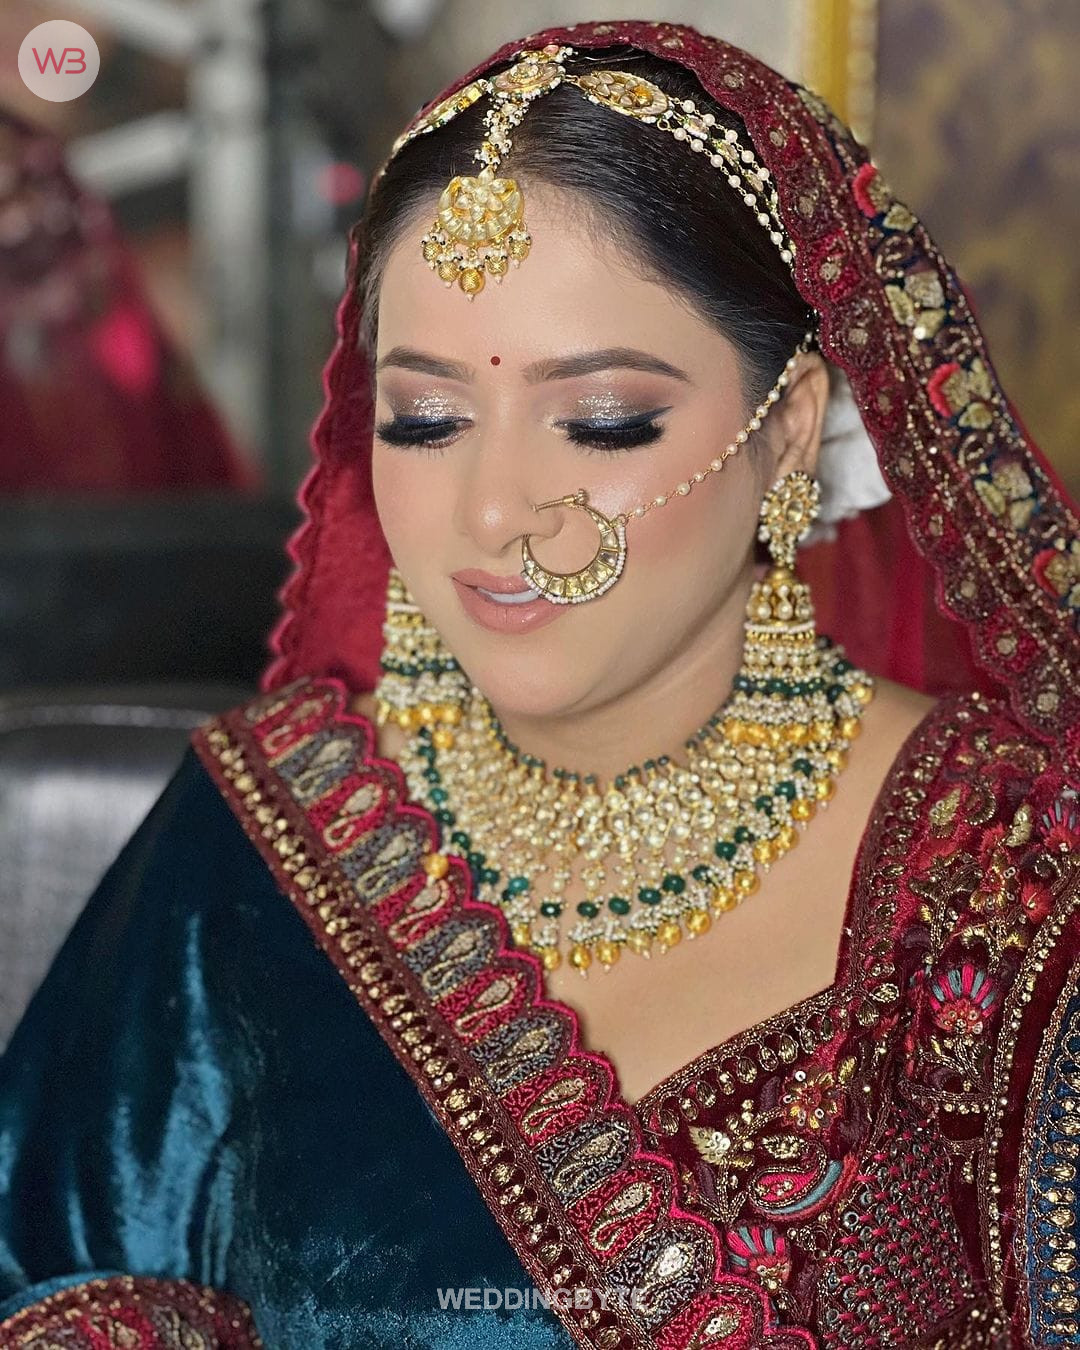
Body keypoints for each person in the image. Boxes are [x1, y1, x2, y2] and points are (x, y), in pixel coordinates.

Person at [1, 18, 1078, 1349]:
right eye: (426, 420)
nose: (494, 509)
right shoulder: (267, 833)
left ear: (790, 430)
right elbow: (58, 1287)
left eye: (603, 422)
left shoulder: (1010, 874)